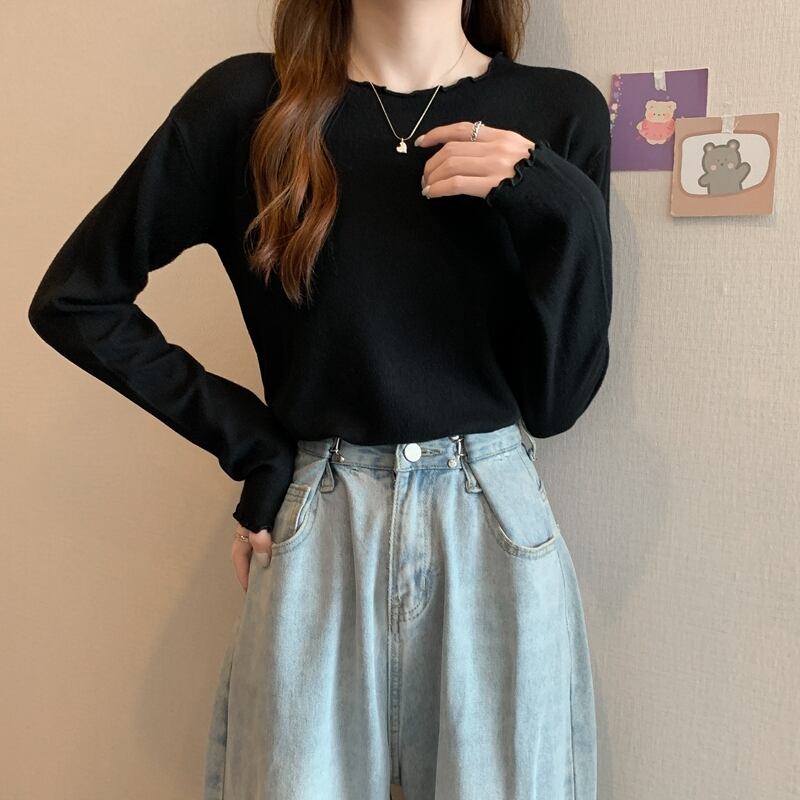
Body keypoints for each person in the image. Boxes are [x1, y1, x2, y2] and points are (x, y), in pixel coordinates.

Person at [28, 1, 612, 797]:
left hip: (494, 533)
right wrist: (254, 445)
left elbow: (557, 401)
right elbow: (76, 299)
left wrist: (550, 193)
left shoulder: (559, 111)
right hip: (320, 528)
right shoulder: (250, 106)